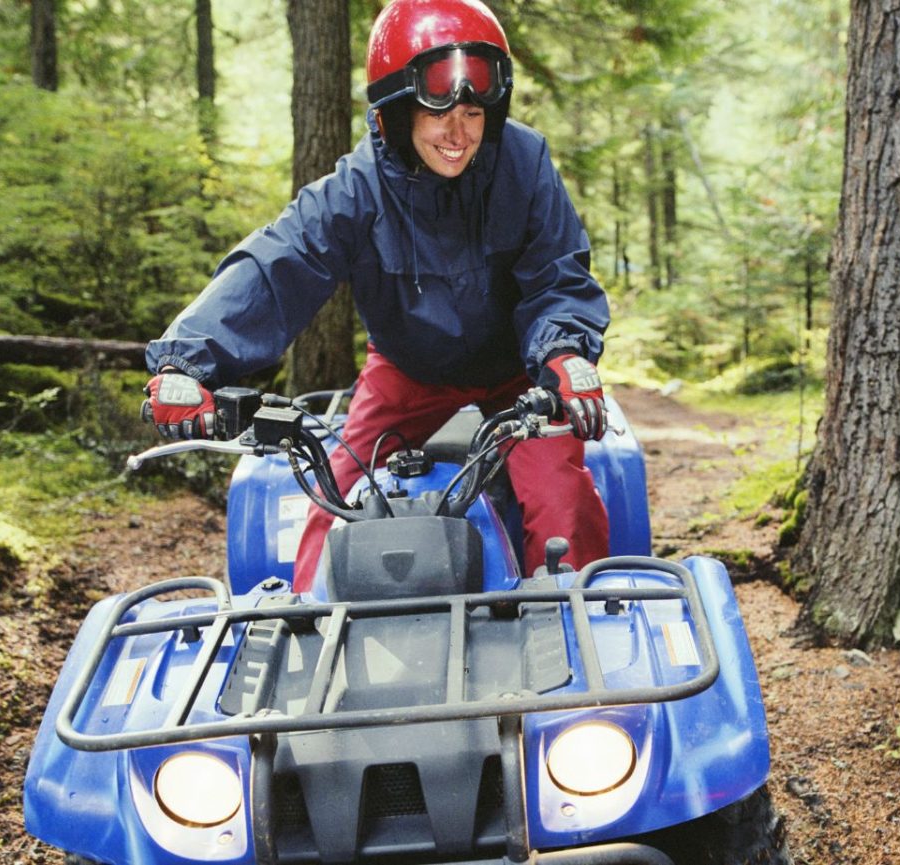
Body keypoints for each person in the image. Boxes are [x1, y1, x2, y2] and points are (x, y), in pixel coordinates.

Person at [140, 0, 611, 591]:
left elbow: (558, 274)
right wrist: (188, 361)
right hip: (408, 371)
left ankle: (587, 642)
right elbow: (275, 264)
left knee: (561, 497)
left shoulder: (524, 162)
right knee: (331, 502)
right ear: (395, 112)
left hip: (521, 371)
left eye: (472, 111)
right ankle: (312, 647)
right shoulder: (356, 189)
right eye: (437, 112)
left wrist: (565, 354)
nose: (458, 133)